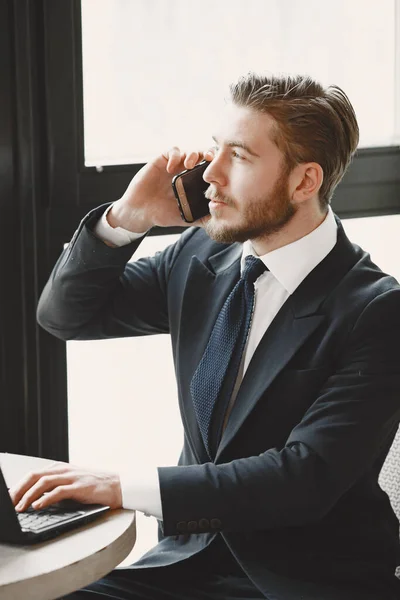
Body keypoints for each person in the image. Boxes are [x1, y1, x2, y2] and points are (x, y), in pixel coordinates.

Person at [9, 73, 400, 599]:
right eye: (214, 149)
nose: (209, 174)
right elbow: (68, 317)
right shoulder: (202, 258)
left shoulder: (376, 310)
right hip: (183, 563)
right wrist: (129, 218)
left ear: (304, 182)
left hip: (302, 581)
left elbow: (303, 479)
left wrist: (122, 487)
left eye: (237, 156)